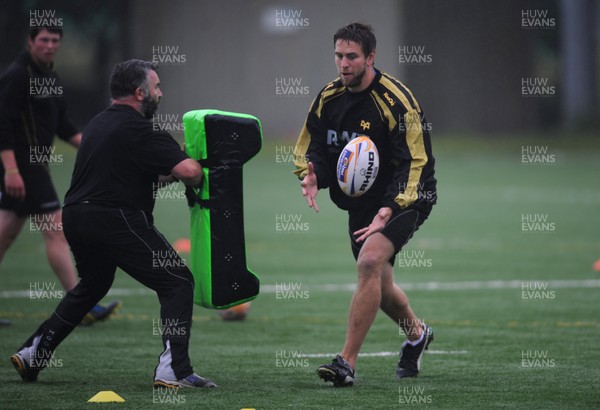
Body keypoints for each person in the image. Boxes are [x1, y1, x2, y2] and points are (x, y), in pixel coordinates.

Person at [10, 59, 216, 388]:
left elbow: (142, 175)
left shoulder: (97, 124)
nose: (160, 93)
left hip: (76, 216)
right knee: (177, 281)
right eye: (157, 87)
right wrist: (198, 166)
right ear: (139, 93)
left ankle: (34, 352)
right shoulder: (141, 128)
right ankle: (174, 370)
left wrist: (172, 174)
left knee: (92, 285)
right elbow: (190, 173)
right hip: (114, 217)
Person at [293, 22, 437, 386]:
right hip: (362, 202)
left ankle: (346, 363)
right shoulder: (329, 98)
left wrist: (390, 207)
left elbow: (414, 162)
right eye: (339, 56)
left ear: (370, 57)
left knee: (369, 261)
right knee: (381, 284)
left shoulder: (396, 101)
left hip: (408, 193)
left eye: (352, 57)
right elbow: (315, 148)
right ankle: (418, 335)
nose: (343, 64)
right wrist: (312, 175)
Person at [0, 26, 120, 325]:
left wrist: (95, 145)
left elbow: (63, 125)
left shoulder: (50, 77)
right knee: (55, 230)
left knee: (5, 234)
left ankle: (81, 304)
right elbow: (1, 125)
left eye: (55, 40)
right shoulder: (18, 75)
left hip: (32, 168)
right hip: (23, 168)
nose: (51, 45)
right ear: (30, 42)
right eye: (44, 40)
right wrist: (11, 170)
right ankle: (82, 304)